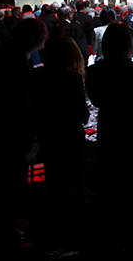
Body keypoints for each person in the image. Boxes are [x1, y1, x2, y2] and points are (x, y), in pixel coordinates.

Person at [0, 19, 49, 253]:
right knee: (3, 184)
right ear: (33, 37)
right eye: (44, 35)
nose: (47, 38)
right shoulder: (14, 58)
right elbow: (15, 103)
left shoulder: (12, 54)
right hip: (0, 133)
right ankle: (3, 236)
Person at [85, 23, 133, 253]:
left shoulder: (95, 71)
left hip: (110, 127)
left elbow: (94, 100)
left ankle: (115, 232)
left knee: (112, 178)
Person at [32, 36, 89, 231]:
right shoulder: (72, 78)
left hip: (47, 135)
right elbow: (82, 115)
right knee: (75, 178)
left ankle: (55, 220)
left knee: (54, 176)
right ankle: (76, 219)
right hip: (70, 136)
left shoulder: (37, 76)